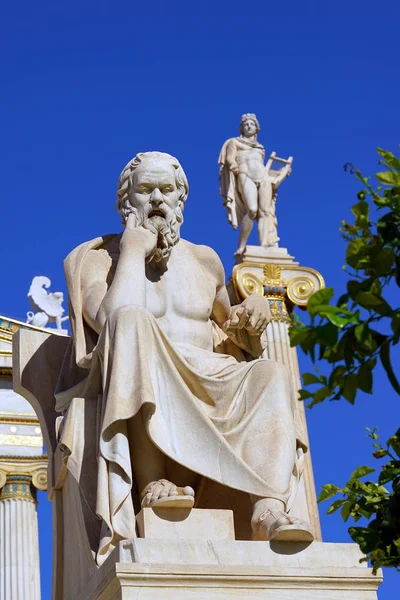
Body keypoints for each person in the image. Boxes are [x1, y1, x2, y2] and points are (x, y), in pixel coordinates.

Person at [56, 151, 312, 564]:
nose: (157, 198)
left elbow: (237, 333)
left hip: (208, 378)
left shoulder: (204, 260)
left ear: (180, 201)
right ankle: (151, 481)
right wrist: (135, 252)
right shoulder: (97, 259)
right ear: (127, 202)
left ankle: (267, 506)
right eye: (146, 189)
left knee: (269, 373)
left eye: (167, 190)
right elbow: (111, 322)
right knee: (133, 322)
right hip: (143, 374)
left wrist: (255, 312)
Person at [219, 114, 290, 254]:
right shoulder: (234, 142)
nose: (248, 126)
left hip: (263, 178)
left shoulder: (260, 148)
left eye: (251, 124)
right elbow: (229, 159)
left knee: (265, 212)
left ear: (257, 128)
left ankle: (265, 246)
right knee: (252, 210)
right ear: (241, 128)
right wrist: (233, 165)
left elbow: (264, 167)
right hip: (246, 175)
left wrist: (281, 172)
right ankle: (241, 245)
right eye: (246, 124)